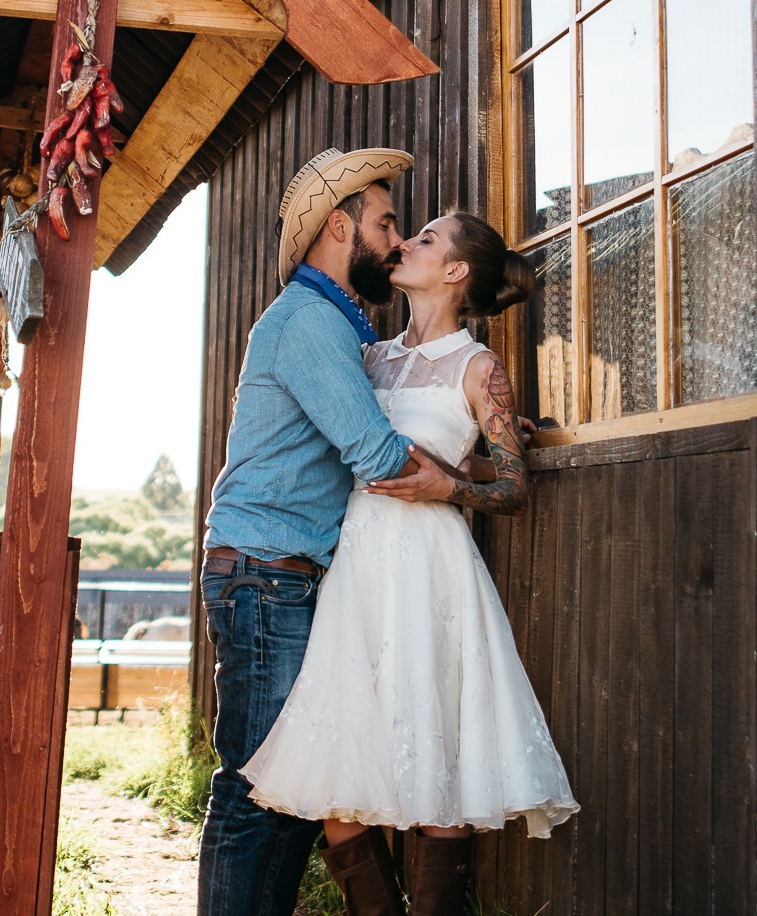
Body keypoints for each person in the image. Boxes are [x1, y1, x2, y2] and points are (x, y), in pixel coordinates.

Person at [240, 210, 579, 916]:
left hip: (431, 569)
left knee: (440, 762)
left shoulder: (479, 368)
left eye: (426, 239)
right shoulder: (370, 357)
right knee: (336, 777)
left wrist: (450, 485)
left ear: (455, 271)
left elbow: (514, 490)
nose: (405, 243)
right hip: (358, 568)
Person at [197, 147, 446, 916]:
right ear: (341, 228)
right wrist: (465, 471)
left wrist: (481, 418)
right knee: (255, 786)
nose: (397, 241)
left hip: (282, 577)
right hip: (266, 578)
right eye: (386, 223)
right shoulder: (308, 321)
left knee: (294, 792)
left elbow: (392, 400)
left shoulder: (338, 325)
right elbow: (374, 451)